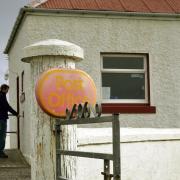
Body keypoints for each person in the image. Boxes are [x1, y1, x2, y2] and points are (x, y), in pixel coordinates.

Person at [0, 84, 19, 158]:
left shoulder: (1, 95)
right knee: (2, 135)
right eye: (7, 90)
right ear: (4, 89)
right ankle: (0, 152)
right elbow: (7, 107)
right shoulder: (2, 96)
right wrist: (16, 113)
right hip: (2, 119)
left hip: (1, 118)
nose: (7, 91)